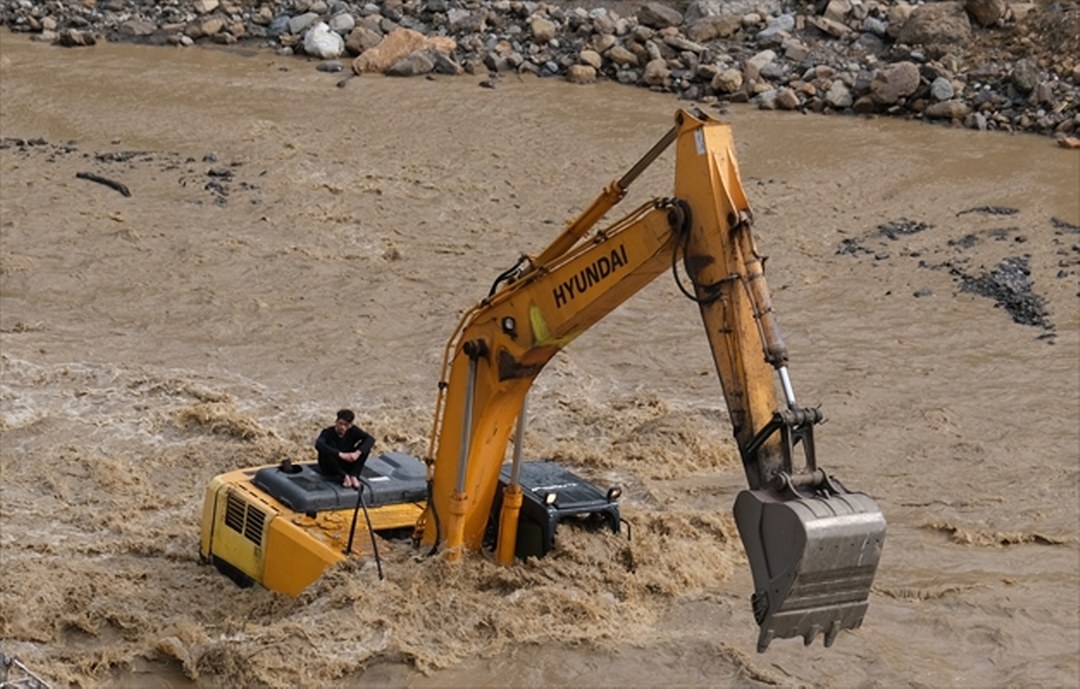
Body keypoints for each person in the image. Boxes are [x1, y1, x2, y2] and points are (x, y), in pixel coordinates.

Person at [315, 409, 375, 489]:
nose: (342, 427)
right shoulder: (328, 432)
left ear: (350, 425)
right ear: (336, 422)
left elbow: (370, 439)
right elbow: (319, 444)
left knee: (365, 449)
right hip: (331, 466)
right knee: (326, 451)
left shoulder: (353, 431)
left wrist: (357, 453)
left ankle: (354, 476)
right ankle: (344, 477)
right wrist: (340, 454)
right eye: (340, 424)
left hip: (346, 463)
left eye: (346, 425)